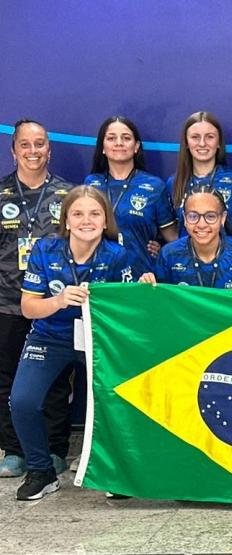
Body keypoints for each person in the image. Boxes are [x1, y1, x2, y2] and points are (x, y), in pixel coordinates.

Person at [11, 186, 133, 500]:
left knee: (115, 400)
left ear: (106, 220)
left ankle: (114, 472)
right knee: (23, 401)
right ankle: (41, 471)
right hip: (50, 336)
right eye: (77, 213)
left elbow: (129, 308)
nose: (86, 220)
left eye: (94, 213)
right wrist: (60, 300)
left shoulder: (118, 255)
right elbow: (28, 307)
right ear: (65, 220)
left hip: (98, 341)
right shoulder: (45, 249)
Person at [0, 120, 74, 479]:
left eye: (40, 144)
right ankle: (14, 451)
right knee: (7, 380)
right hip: (7, 303)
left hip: (54, 304)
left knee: (57, 380)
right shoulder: (0, 194)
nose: (33, 151)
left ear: (50, 149)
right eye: (25, 145)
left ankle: (56, 448)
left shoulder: (68, 195)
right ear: (13, 150)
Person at [139, 185, 232, 291]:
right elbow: (156, 299)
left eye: (210, 216)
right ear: (185, 219)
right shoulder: (168, 255)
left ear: (222, 218)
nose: (201, 224)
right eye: (193, 216)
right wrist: (146, 284)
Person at [84, 116, 178, 273]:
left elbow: (173, 238)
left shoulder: (155, 186)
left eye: (126, 138)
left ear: (136, 147)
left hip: (141, 277)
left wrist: (162, 250)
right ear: (102, 147)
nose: (119, 143)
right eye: (111, 138)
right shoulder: (91, 183)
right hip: (98, 277)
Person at [167, 111, 232, 237]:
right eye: (195, 137)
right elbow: (168, 229)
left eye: (210, 137)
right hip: (188, 256)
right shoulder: (173, 183)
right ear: (186, 142)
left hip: (229, 256)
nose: (202, 143)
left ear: (219, 142)